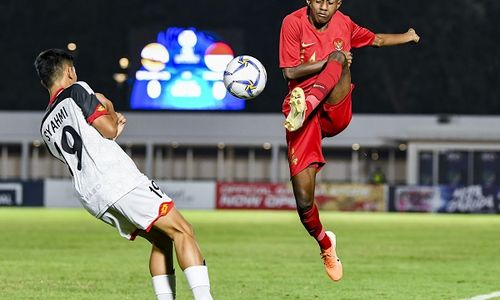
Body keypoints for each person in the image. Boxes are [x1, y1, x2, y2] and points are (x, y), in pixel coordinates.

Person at [35, 49, 213, 300]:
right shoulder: (77, 90)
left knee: (162, 240)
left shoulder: (45, 125)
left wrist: (107, 124)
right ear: (69, 71)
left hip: (92, 197)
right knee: (183, 230)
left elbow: (82, 147)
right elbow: (108, 129)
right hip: (117, 180)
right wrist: (106, 103)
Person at [280, 0, 420, 281]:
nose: (323, 7)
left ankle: (309, 102)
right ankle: (326, 244)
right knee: (304, 202)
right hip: (301, 117)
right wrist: (330, 59)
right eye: (318, 0)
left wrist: (407, 36)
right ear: (308, 0)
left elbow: (377, 40)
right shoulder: (292, 23)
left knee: (340, 58)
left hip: (331, 108)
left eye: (330, 2)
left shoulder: (345, 23)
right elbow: (289, 72)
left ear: (338, 4)